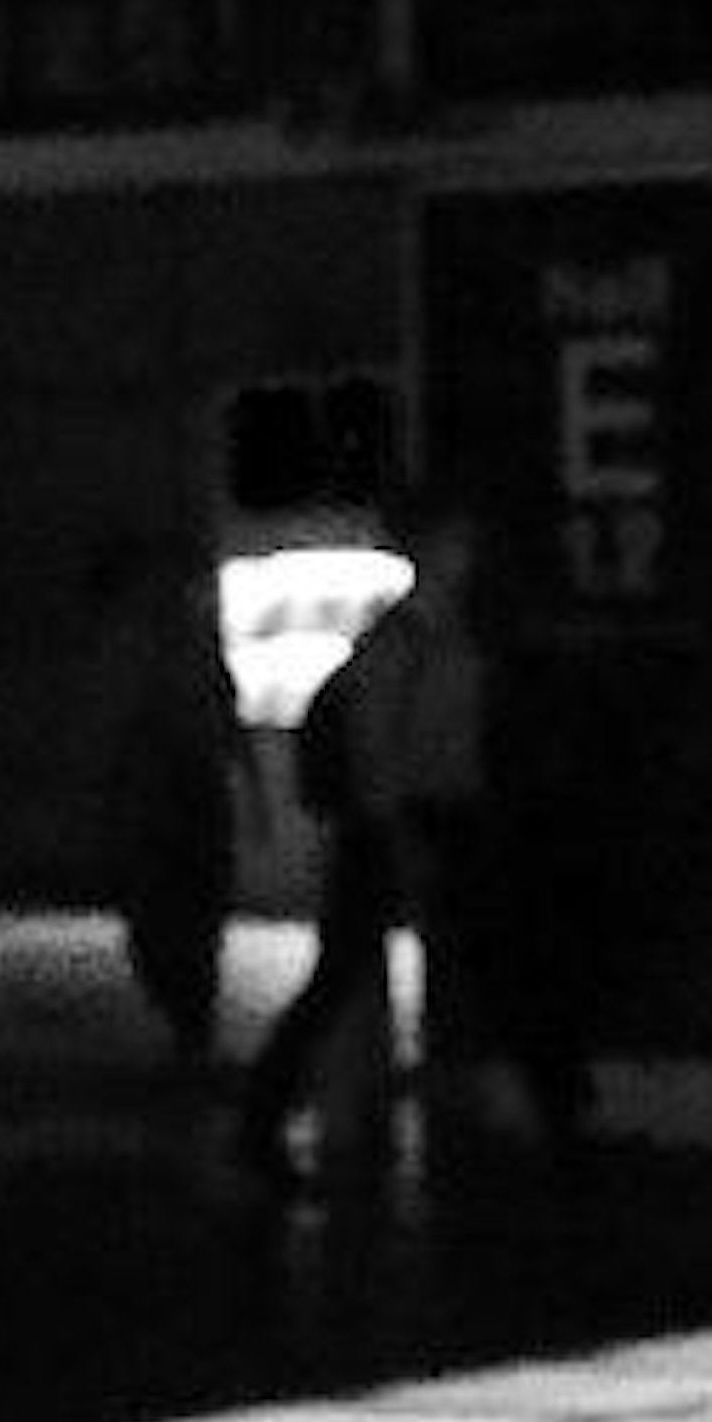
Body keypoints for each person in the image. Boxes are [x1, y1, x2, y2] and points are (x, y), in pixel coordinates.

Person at [342, 495, 597, 1163]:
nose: (470, 557)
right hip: (429, 816)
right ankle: (528, 1106)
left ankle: (529, 1102)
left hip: (459, 813)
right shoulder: (407, 642)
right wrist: (398, 834)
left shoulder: (453, 634)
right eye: (457, 544)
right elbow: (379, 751)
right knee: (477, 961)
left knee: (487, 959)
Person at [71, 535, 256, 1075]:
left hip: (172, 793)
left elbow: (218, 720)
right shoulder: (157, 648)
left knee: (177, 915)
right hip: (169, 794)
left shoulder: (160, 648)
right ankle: (190, 1024)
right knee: (177, 915)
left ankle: (190, 1025)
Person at [232, 628, 399, 1191]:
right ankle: (266, 1112)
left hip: (367, 835)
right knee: (339, 977)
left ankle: (267, 1111)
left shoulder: (381, 652)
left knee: (337, 977)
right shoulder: (406, 650)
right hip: (382, 835)